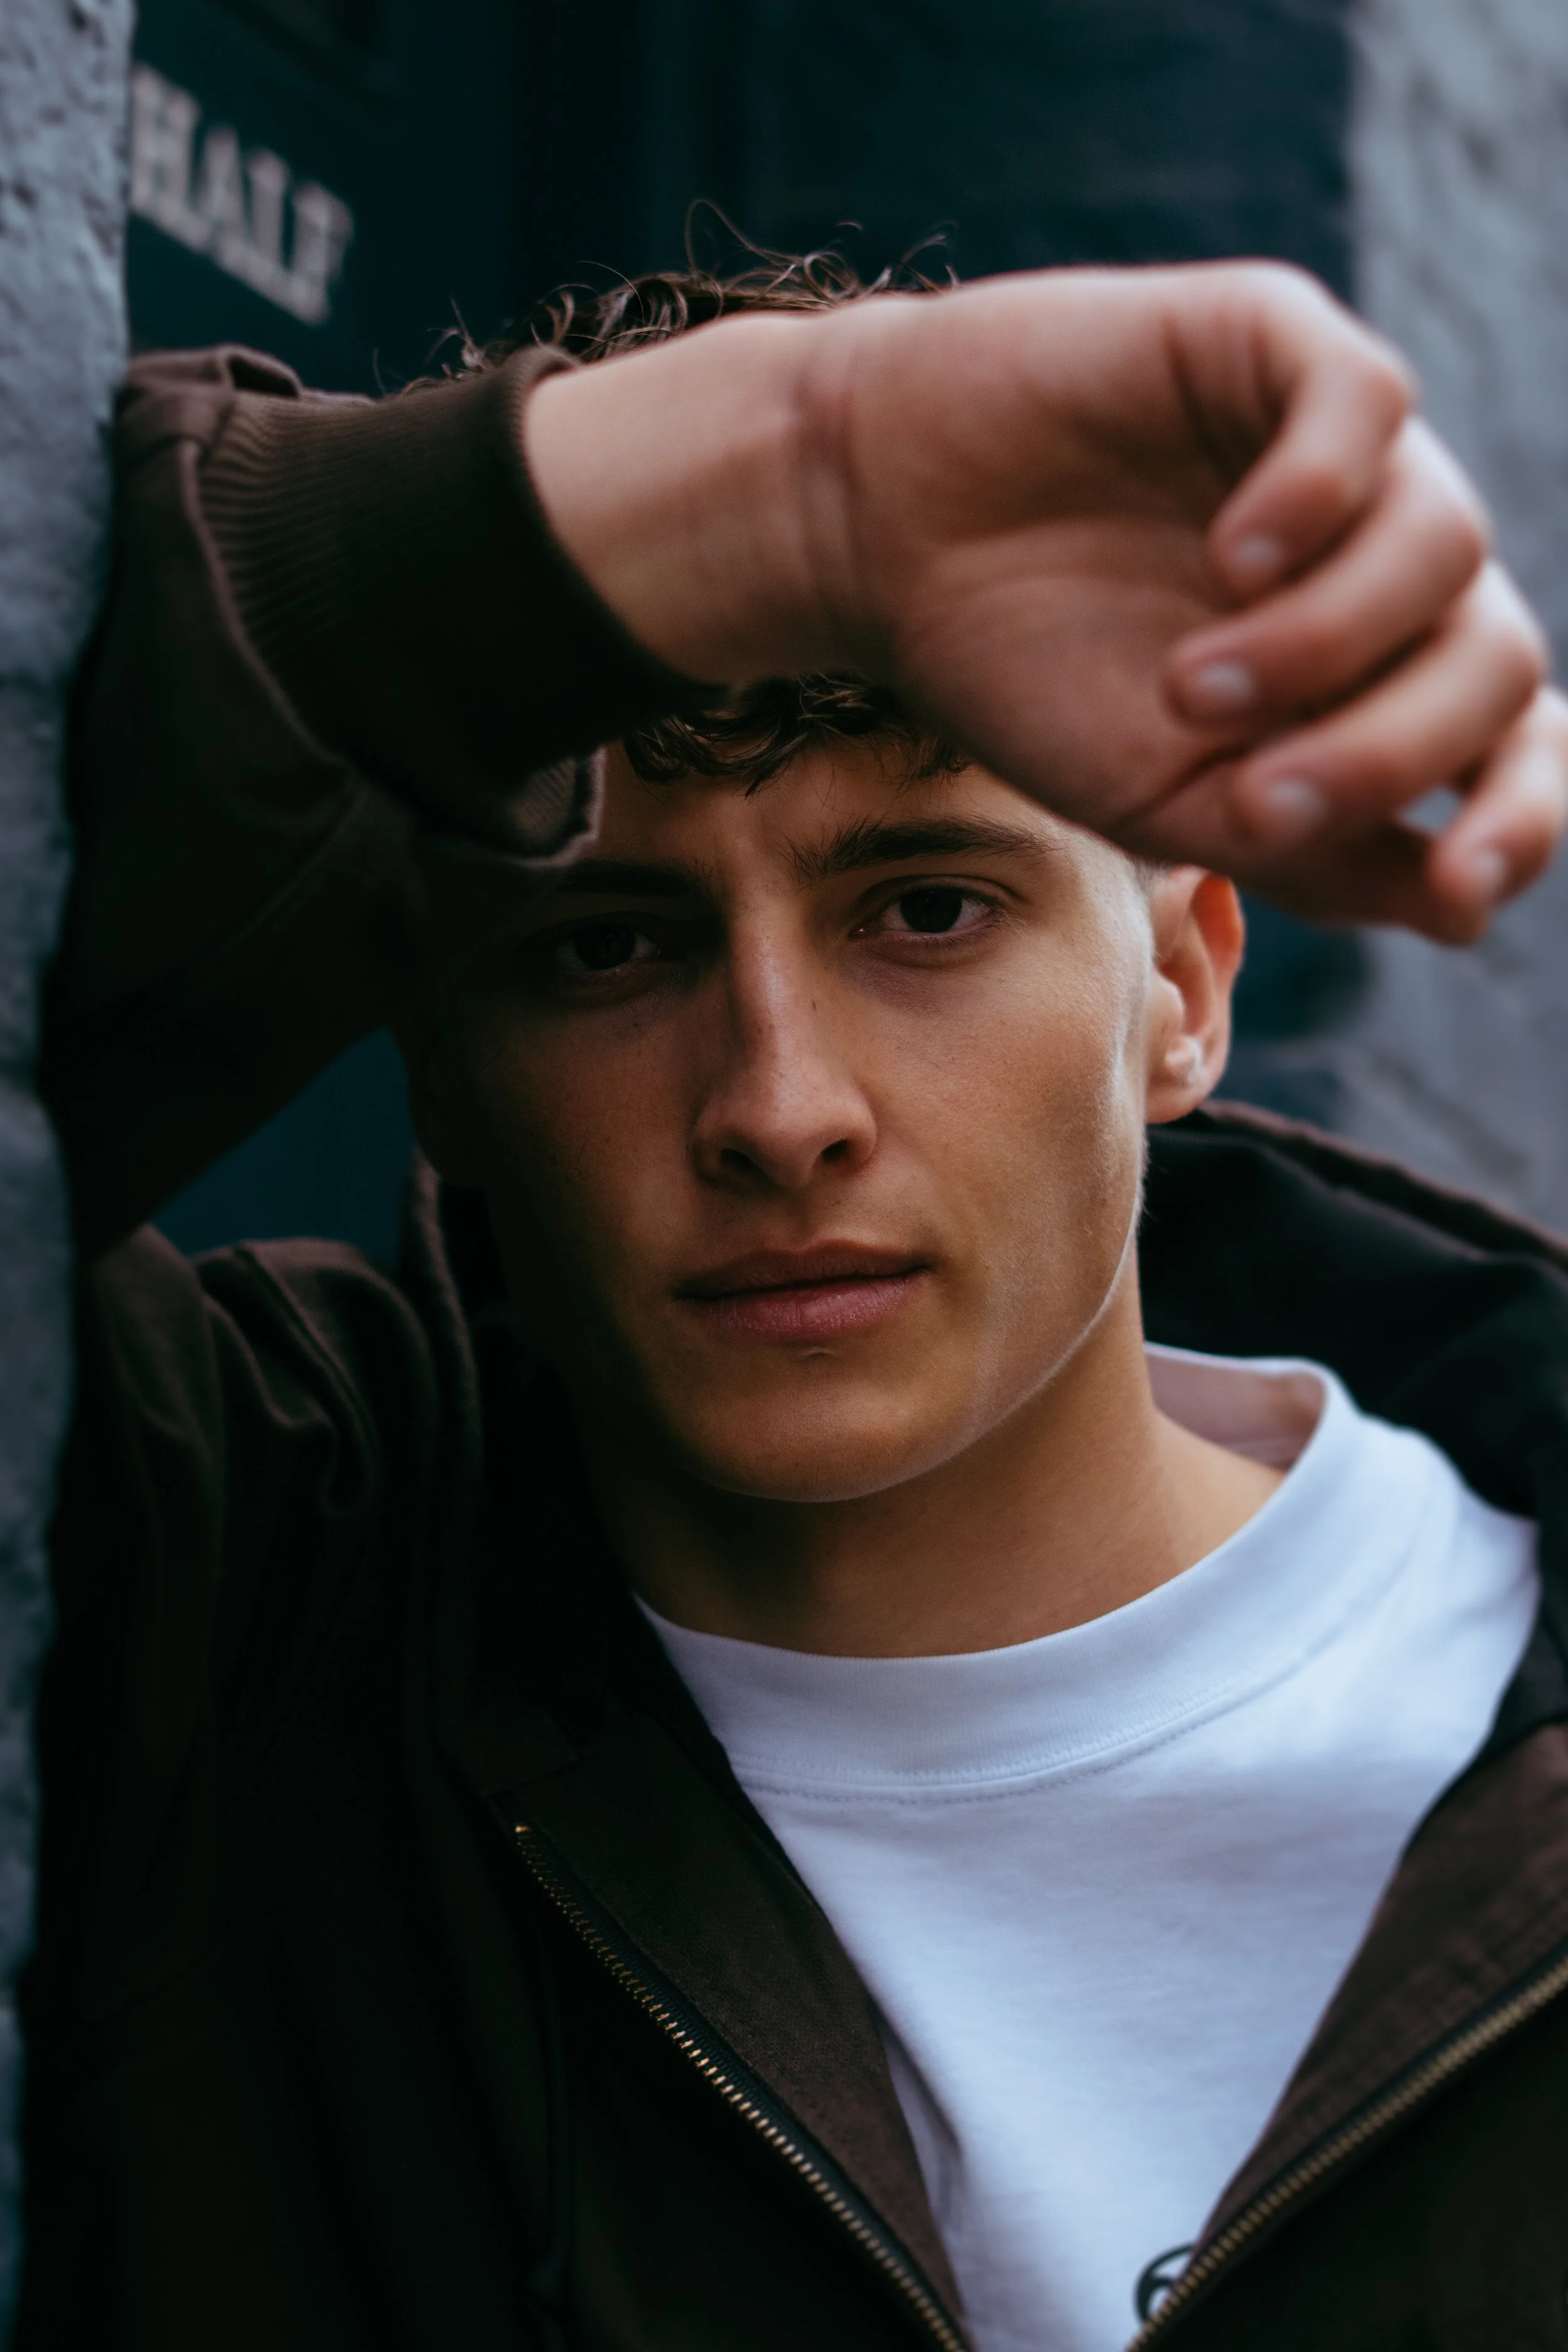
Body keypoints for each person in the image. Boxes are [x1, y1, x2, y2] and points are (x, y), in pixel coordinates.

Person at [20, 250, 1568, 2352]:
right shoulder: (248, 1579)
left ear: (1182, 990)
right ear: (443, 1061)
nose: (778, 1106)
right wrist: (781, 472)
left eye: (924, 908)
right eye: (604, 950)